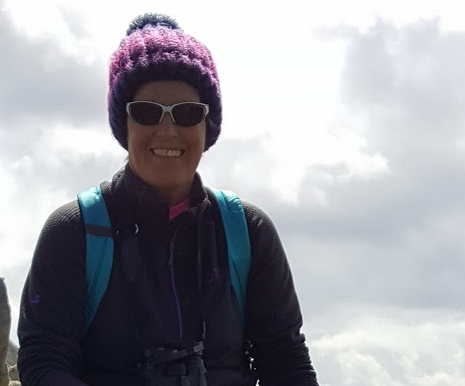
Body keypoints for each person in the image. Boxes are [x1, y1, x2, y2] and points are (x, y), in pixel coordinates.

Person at [17, 13, 318, 386]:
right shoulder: (73, 231)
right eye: (146, 112)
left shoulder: (248, 231)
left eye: (187, 113)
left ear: (208, 128)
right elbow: (44, 360)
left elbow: (285, 361)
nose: (167, 129)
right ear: (122, 126)